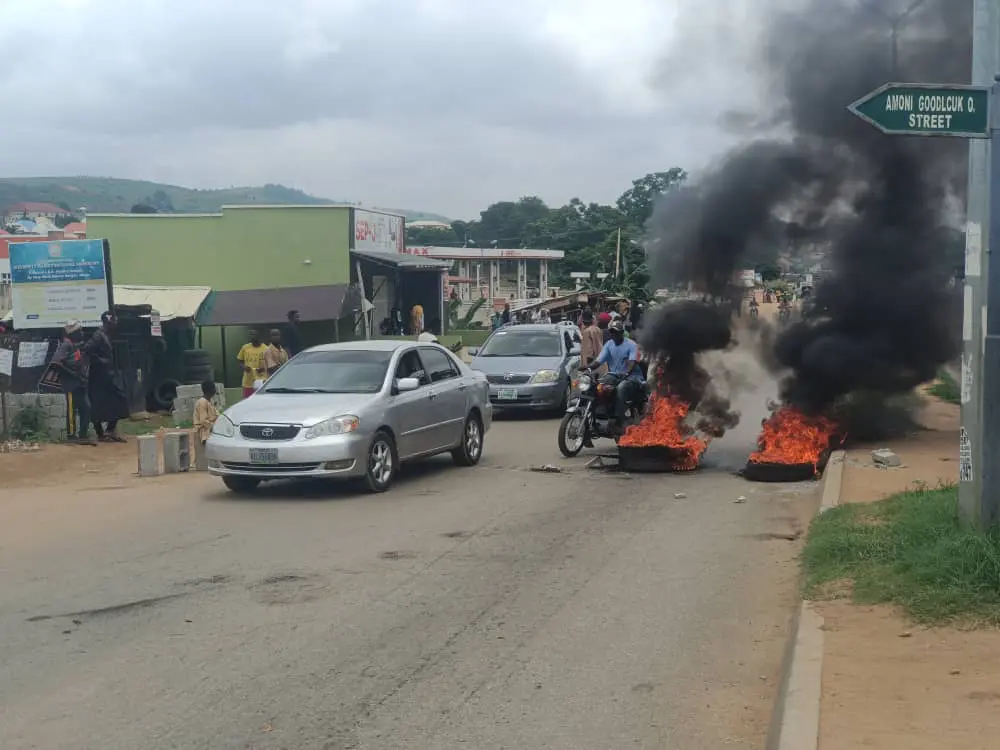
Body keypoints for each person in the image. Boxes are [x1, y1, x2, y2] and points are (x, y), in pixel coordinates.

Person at [585, 319, 644, 427]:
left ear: (621, 333)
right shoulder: (609, 344)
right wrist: (587, 367)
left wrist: (626, 373)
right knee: (595, 386)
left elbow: (632, 362)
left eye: (616, 332)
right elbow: (598, 361)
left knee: (621, 388)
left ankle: (618, 418)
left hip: (632, 376)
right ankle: (595, 413)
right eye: (611, 332)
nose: (613, 335)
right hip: (614, 375)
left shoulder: (631, 344)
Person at [85, 311, 129, 442]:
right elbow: (87, 349)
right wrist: (100, 360)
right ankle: (101, 434)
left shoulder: (106, 335)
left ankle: (110, 430)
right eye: (114, 322)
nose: (116, 325)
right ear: (108, 322)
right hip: (98, 377)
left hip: (106, 376)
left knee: (119, 400)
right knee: (98, 403)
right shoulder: (98, 336)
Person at [52, 320, 95, 445]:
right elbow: (56, 363)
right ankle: (71, 436)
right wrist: (73, 374)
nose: (82, 333)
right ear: (73, 333)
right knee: (72, 410)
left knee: (86, 408)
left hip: (80, 383)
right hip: (70, 384)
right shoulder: (66, 345)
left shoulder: (77, 345)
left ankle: (83, 435)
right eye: (79, 331)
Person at [237, 330, 269, 399]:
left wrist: (263, 369)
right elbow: (240, 360)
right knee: (247, 401)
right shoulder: (245, 348)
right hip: (248, 381)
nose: (251, 336)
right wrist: (244, 367)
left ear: (258, 336)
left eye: (253, 334)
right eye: (250, 335)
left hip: (261, 380)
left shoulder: (266, 348)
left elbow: (270, 364)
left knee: (260, 400)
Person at [193, 380, 219, 445]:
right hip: (204, 428)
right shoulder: (202, 402)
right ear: (210, 390)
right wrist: (214, 427)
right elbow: (203, 420)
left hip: (211, 425)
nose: (215, 390)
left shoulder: (209, 401)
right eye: (214, 388)